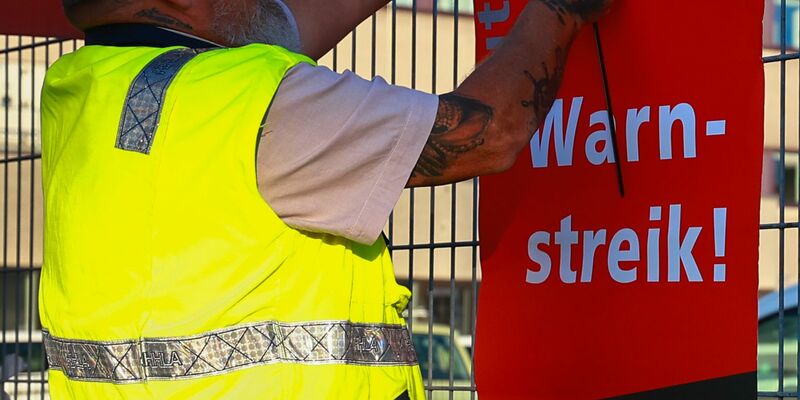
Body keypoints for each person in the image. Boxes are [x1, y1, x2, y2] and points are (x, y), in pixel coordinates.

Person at [39, 0, 612, 398]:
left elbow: (274, 27)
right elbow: (491, 132)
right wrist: (556, 11)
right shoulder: (262, 106)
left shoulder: (81, 90)